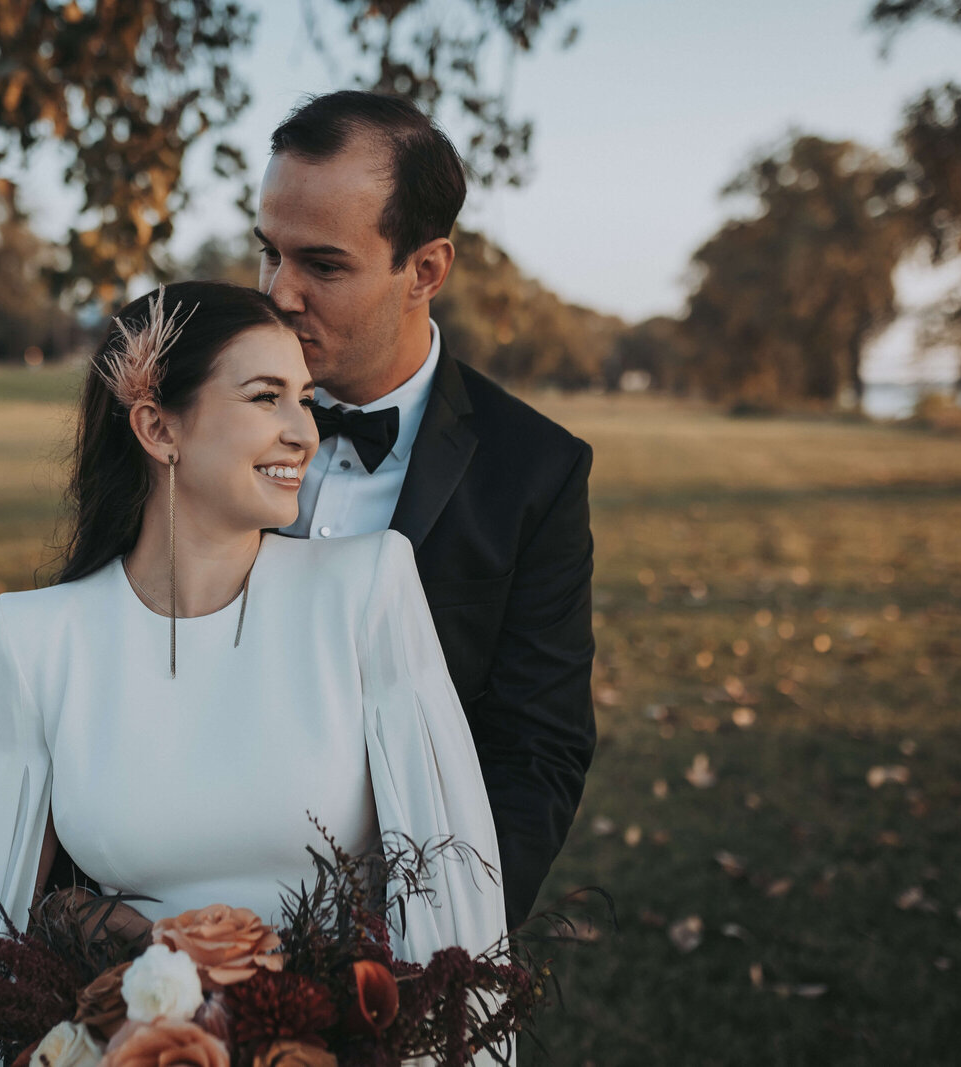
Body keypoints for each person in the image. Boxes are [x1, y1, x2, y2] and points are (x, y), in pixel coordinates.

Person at [0, 282, 506, 1065]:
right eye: (267, 398)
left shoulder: (368, 588)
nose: (306, 432)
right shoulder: (33, 638)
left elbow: (456, 911)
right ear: (158, 427)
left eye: (305, 398)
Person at [254, 91, 597, 929]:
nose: (279, 293)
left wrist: (439, 943)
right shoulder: (195, 421)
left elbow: (536, 751)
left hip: (402, 934)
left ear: (426, 270)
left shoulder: (534, 471)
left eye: (323, 266)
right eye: (268, 253)